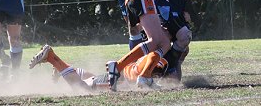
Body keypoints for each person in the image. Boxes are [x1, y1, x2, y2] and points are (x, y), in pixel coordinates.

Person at [29, 44, 168, 90]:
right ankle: (53, 58)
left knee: (92, 78)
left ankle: (69, 70)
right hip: (118, 81)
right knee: (82, 88)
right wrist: (146, 76)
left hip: (117, 76)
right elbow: (154, 59)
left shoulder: (153, 52)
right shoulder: (157, 56)